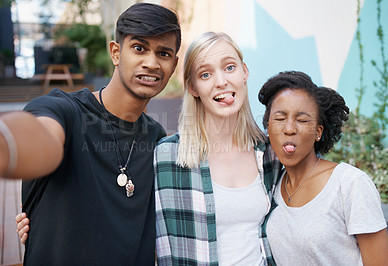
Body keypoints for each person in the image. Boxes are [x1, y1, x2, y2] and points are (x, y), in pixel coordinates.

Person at [1, 3, 181, 265]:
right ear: (116, 52)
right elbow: (43, 139)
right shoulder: (65, 111)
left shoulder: (156, 138)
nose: (151, 63)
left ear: (173, 65)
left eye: (163, 53)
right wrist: (8, 148)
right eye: (139, 48)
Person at [154, 32, 282, 265]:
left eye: (229, 67)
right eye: (206, 74)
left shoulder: (269, 154)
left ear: (244, 72)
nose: (221, 81)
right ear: (193, 88)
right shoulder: (167, 156)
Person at [258, 71, 388, 265]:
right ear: (268, 128)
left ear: (318, 132)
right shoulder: (272, 186)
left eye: (302, 120)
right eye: (279, 119)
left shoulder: (350, 184)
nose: (289, 128)